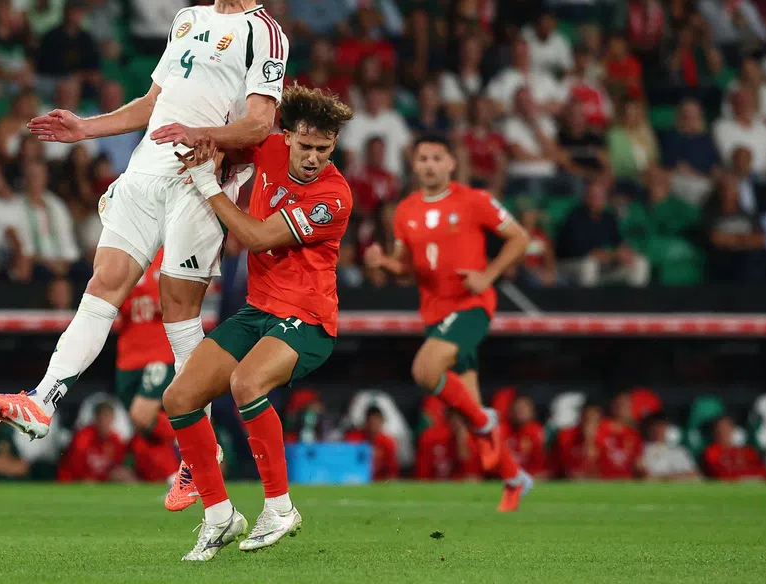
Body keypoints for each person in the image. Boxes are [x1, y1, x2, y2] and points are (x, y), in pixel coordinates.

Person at [0, 0, 286, 495]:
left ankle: (201, 452)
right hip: (145, 171)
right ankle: (42, 401)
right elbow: (152, 105)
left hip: (199, 178)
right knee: (104, 282)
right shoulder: (186, 19)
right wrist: (86, 128)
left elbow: (261, 124)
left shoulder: (264, 32)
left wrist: (202, 134)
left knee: (177, 311)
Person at [162, 85, 353, 561]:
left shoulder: (333, 197)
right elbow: (225, 139)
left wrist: (207, 184)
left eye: (323, 149)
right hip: (259, 309)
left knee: (246, 382)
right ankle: (218, 515)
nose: (313, 158)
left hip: (307, 319)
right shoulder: (267, 148)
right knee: (179, 397)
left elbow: (255, 236)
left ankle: (280, 507)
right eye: (305, 146)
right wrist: (194, 137)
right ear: (287, 137)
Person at [365, 133, 532, 511]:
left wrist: (488, 276)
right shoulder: (404, 211)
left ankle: (486, 422)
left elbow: (519, 238)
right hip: (435, 313)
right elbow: (407, 270)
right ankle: (514, 478)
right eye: (423, 158)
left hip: (471, 305)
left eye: (437, 158)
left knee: (425, 370)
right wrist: (384, 264)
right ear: (414, 164)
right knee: (468, 412)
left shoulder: (474, 201)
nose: (429, 165)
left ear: (451, 164)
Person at [113, 250, 187, 496]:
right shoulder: (122, 255)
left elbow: (194, 290)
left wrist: (171, 301)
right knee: (144, 427)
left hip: (159, 352)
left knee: (142, 416)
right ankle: (174, 478)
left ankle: (196, 440)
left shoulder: (171, 252)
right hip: (127, 357)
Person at [639, 414, 700, 481]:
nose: (658, 430)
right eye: (655, 426)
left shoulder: (679, 451)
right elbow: (643, 474)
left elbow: (694, 474)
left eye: (662, 426)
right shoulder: (641, 449)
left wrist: (664, 477)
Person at [344, 407, 400, 480]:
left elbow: (392, 471)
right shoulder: (354, 439)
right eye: (371, 422)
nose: (373, 426)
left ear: (382, 422)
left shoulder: (388, 442)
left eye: (377, 422)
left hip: (379, 482)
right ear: (366, 422)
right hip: (357, 480)